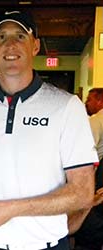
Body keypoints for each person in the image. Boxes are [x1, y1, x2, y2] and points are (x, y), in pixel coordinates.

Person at [0, 10, 98, 250]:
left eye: (20, 36)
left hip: (45, 245)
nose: (10, 44)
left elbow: (83, 193)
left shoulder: (66, 106)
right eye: (1, 37)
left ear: (35, 46)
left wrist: (13, 209)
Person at [67, 88, 103, 250]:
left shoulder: (96, 120)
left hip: (94, 178)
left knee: (89, 221)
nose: (86, 103)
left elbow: (86, 153)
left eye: (90, 99)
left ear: (100, 101)